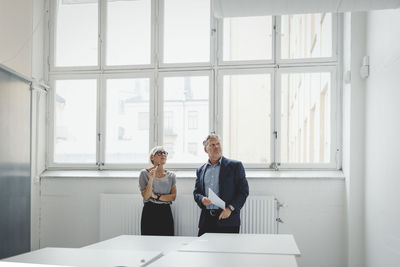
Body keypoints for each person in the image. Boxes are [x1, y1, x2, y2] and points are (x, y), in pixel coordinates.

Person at [193, 133, 249, 236]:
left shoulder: (235, 166)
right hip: (206, 221)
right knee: (204, 250)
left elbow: (243, 192)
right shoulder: (200, 170)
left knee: (227, 250)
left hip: (227, 218)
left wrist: (230, 209)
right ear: (206, 149)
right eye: (212, 145)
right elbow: (196, 193)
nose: (216, 147)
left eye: (218, 144)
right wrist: (202, 199)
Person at [139, 146, 176, 236]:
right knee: (148, 243)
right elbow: (146, 196)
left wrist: (156, 196)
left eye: (165, 153)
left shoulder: (171, 175)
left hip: (165, 212)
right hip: (150, 211)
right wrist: (151, 178)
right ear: (152, 157)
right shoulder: (144, 173)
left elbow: (173, 197)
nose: (163, 155)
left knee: (167, 242)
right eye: (159, 153)